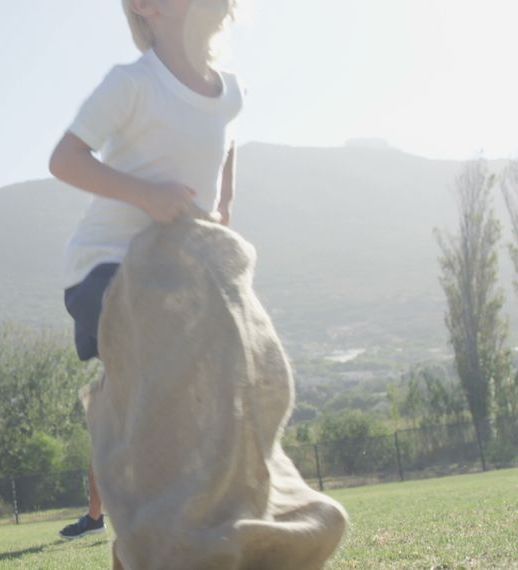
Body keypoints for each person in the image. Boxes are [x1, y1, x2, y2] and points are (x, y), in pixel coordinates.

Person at [50, 1, 346, 567]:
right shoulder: (133, 84)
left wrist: (224, 202)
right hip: (106, 268)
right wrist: (147, 195)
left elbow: (225, 139)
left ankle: (153, 541)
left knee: (223, 384)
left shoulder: (229, 91)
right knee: (178, 371)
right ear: (146, 6)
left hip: (183, 260)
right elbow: (65, 159)